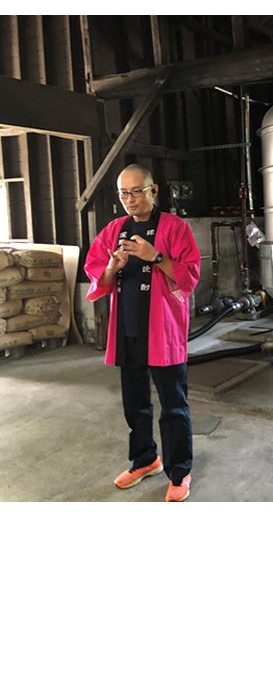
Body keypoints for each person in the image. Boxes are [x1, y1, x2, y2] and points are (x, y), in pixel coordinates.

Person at [84, 164, 201, 502]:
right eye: (124, 193)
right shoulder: (114, 230)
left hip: (163, 332)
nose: (130, 199)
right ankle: (145, 459)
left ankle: (179, 471)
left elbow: (190, 275)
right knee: (135, 403)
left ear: (153, 190)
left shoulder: (175, 228)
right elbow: (98, 273)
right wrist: (112, 267)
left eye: (137, 191)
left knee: (173, 405)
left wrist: (156, 257)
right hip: (128, 330)